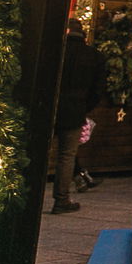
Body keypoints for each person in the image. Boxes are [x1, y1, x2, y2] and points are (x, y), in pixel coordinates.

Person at [51, 19, 104, 214]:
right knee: (67, 156)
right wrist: (84, 107)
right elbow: (97, 90)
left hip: (49, 107)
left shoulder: (54, 51)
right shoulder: (94, 56)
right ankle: (61, 199)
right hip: (75, 110)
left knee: (38, 153)